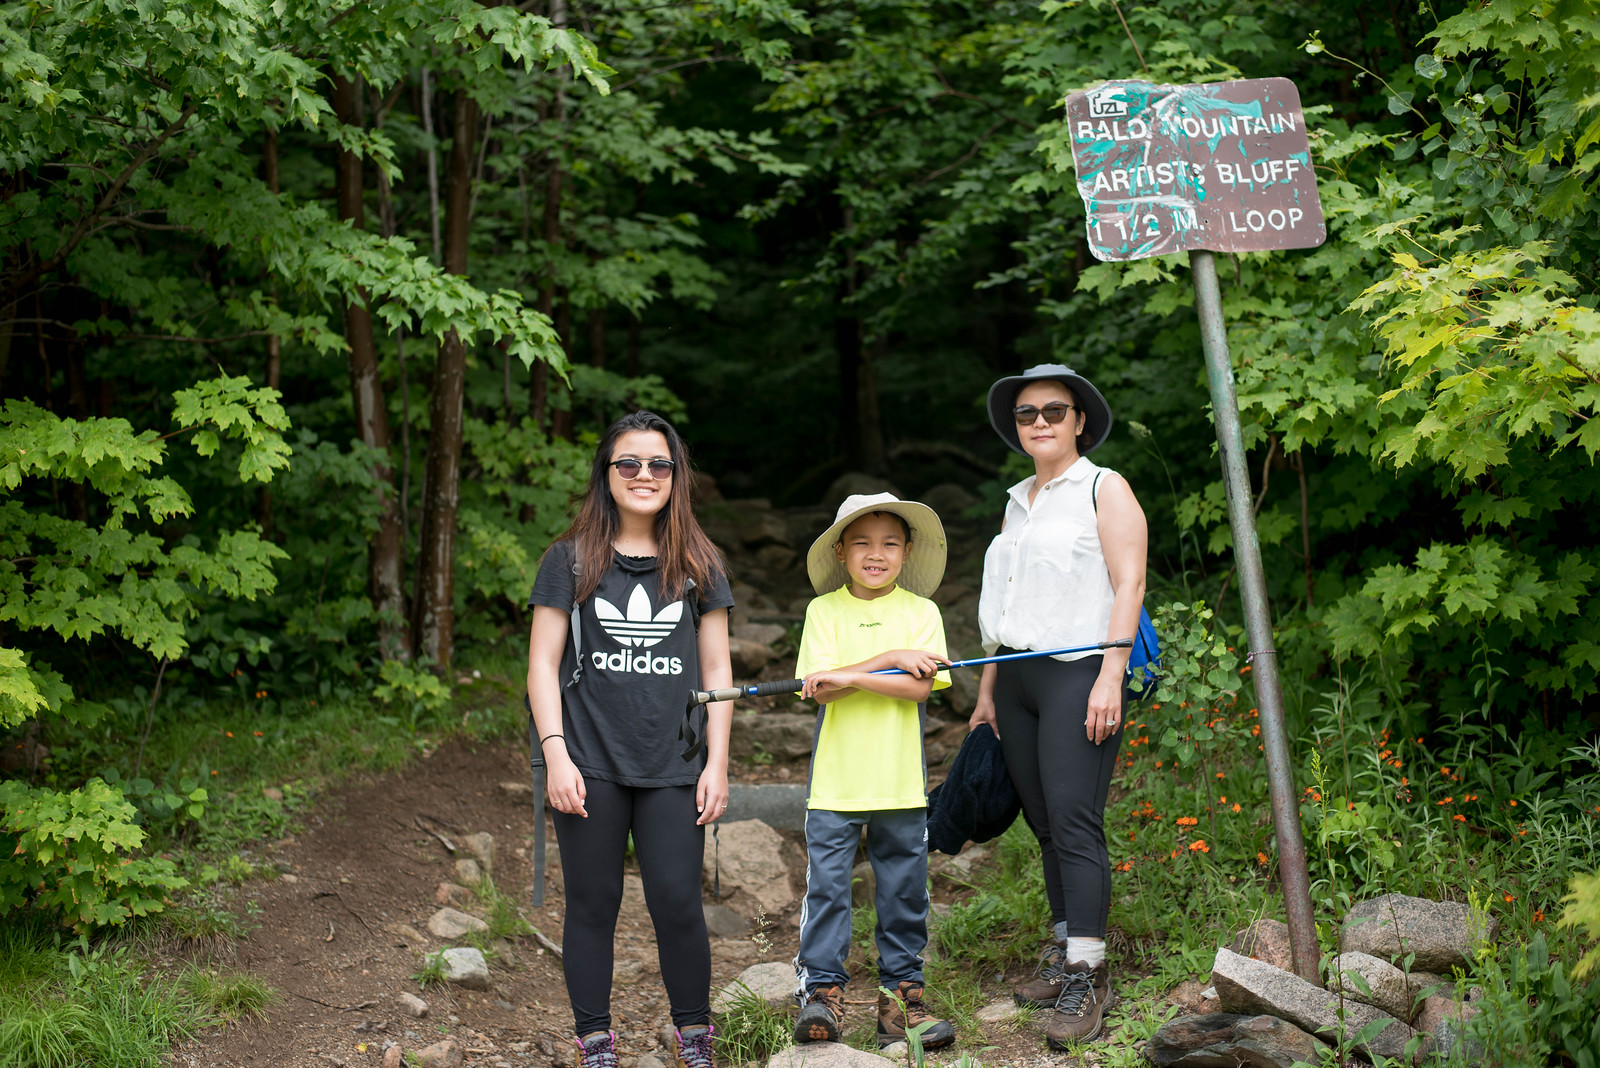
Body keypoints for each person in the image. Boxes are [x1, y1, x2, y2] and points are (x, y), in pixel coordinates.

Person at [526, 410, 735, 1068]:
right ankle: (595, 1043)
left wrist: (718, 762)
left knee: (677, 901)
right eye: (629, 464)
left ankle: (694, 1036)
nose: (644, 475)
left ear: (676, 476)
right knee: (593, 902)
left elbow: (718, 669)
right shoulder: (570, 559)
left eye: (658, 465)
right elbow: (540, 664)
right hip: (587, 759)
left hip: (674, 761)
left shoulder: (699, 563)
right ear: (607, 474)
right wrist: (555, 752)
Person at [970, 364, 1148, 1049]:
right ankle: (1062, 945)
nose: (1039, 421)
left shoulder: (1105, 488)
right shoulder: (1019, 500)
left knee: (1075, 824)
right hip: (1015, 678)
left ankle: (1089, 973)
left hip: (1080, 673)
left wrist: (1111, 674)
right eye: (1025, 414)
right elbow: (1007, 607)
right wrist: (988, 691)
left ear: (1079, 420)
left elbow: (1129, 583)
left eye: (1053, 410)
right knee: (1043, 824)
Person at [790, 492, 958, 1052]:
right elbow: (821, 691)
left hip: (900, 785)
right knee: (829, 891)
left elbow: (918, 687)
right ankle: (822, 994)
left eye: (889, 543)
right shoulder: (824, 612)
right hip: (835, 784)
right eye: (862, 543)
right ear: (841, 552)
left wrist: (853, 673)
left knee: (904, 893)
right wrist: (887, 656)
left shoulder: (922, 613)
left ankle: (902, 1002)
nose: (876, 554)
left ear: (907, 552)